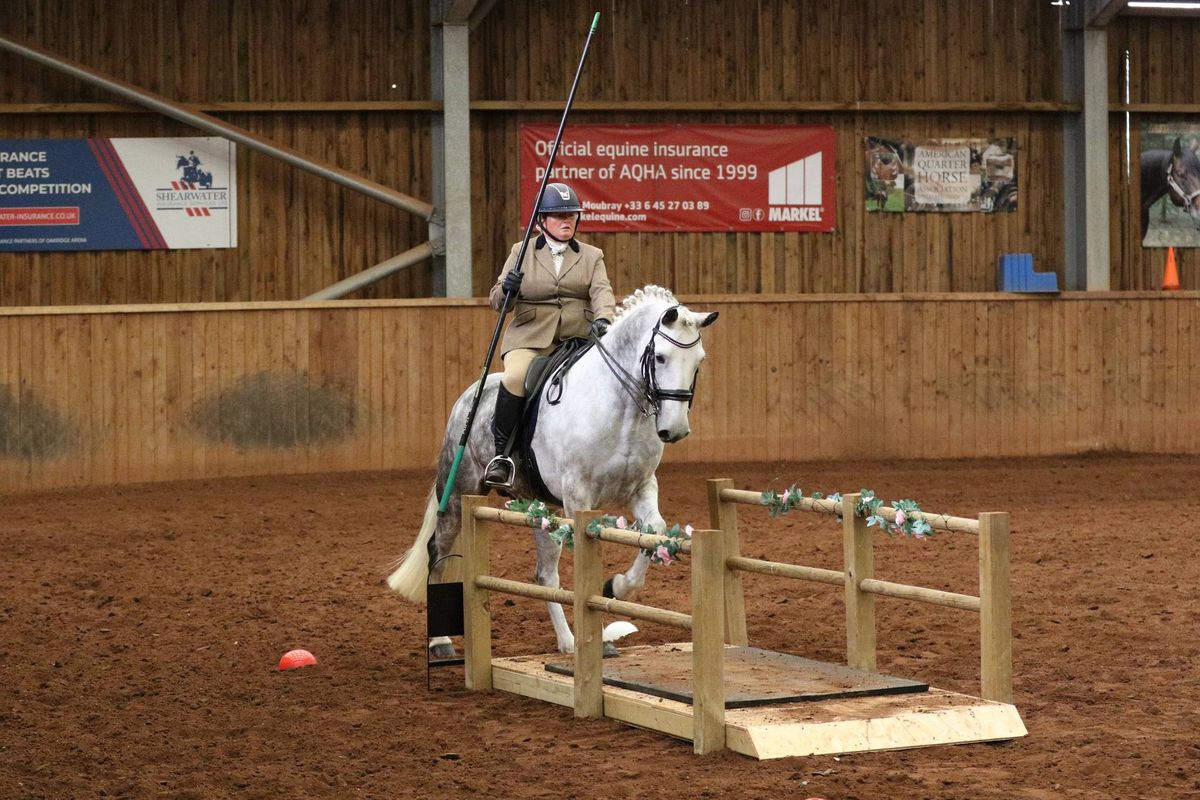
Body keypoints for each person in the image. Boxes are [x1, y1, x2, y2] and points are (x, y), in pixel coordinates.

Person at [483, 182, 616, 486]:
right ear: (542, 221)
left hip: (578, 338)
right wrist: (508, 288)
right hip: (530, 337)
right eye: (559, 216)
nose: (567, 220)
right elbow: (497, 302)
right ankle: (502, 455)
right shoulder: (521, 252)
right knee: (515, 378)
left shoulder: (591, 255)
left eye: (571, 215)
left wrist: (604, 319)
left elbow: (602, 292)